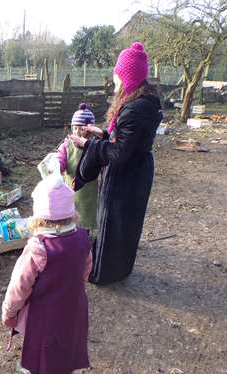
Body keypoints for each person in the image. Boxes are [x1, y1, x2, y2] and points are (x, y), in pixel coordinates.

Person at [69, 42, 163, 285]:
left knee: (114, 222)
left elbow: (120, 153)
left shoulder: (133, 108)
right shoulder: (145, 102)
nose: (115, 80)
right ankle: (121, 269)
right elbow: (125, 141)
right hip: (138, 169)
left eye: (118, 75)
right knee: (127, 224)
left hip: (126, 175)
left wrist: (87, 145)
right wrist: (100, 133)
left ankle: (104, 274)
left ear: (128, 76)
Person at [2, 174, 92, 374]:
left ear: (39, 216)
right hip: (73, 306)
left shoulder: (38, 248)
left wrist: (9, 311)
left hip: (43, 313)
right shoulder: (83, 239)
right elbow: (85, 271)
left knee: (40, 344)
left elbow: (19, 285)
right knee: (68, 338)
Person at [57, 103, 98, 233]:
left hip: (89, 191)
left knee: (85, 216)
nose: (77, 132)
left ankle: (84, 236)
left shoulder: (95, 146)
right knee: (69, 214)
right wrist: (57, 167)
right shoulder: (67, 145)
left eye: (81, 129)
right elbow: (61, 158)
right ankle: (70, 234)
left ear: (90, 130)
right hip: (70, 188)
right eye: (74, 128)